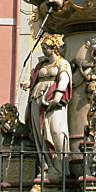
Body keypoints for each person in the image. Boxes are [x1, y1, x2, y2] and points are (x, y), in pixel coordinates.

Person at [25, 35, 72, 177]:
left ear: (54, 48)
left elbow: (64, 79)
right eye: (43, 48)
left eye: (46, 48)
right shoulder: (41, 65)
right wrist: (28, 84)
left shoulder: (62, 63)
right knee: (40, 133)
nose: (43, 51)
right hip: (37, 100)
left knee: (56, 131)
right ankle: (47, 165)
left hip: (52, 101)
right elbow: (35, 79)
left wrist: (57, 97)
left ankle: (61, 166)